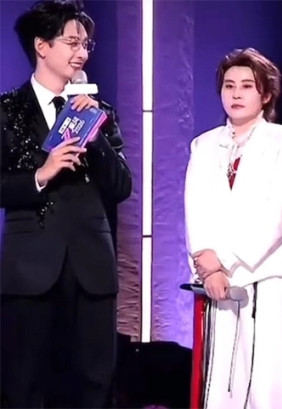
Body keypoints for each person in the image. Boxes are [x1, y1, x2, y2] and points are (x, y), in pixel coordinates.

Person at [0, 1, 132, 407]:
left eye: (86, 44)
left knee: (93, 385)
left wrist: (96, 136)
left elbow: (121, 186)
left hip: (92, 268)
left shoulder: (100, 112)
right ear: (42, 46)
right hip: (30, 270)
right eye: (72, 42)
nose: (82, 53)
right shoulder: (6, 110)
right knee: (25, 384)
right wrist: (41, 174)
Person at [183, 47, 282, 409]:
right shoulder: (204, 144)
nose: (236, 94)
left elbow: (277, 212)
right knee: (222, 387)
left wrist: (225, 260)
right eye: (229, 85)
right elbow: (195, 207)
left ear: (265, 94)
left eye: (247, 86)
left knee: (269, 386)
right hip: (216, 283)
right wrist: (207, 264)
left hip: (265, 275)